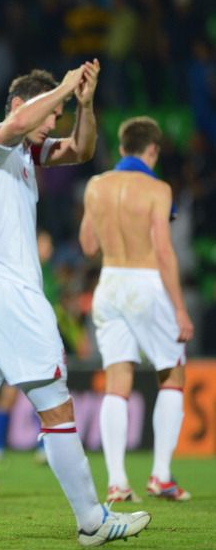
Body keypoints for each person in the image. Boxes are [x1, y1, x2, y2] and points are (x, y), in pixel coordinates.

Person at [0, 62, 151, 549]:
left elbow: (82, 149)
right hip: (8, 295)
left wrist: (82, 102)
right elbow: (17, 124)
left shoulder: (22, 152)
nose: (53, 123)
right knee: (56, 410)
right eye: (51, 112)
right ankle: (92, 521)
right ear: (21, 105)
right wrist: (62, 87)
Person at [79, 116, 194, 503]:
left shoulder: (97, 186)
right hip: (145, 282)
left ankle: (116, 482)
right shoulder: (158, 189)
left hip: (109, 283)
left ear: (122, 146)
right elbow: (163, 250)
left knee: (117, 378)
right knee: (173, 373)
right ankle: (160, 475)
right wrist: (180, 308)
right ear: (153, 150)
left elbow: (88, 246)